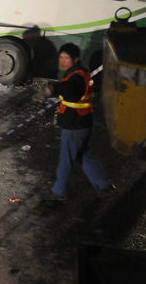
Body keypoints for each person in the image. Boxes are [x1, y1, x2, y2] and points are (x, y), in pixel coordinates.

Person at [42, 43, 114, 201]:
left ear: (75, 59)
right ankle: (103, 184)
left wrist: (54, 88)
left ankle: (58, 192)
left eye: (66, 57)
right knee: (85, 155)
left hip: (75, 125)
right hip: (82, 123)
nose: (62, 60)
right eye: (61, 57)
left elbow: (71, 89)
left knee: (66, 159)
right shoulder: (80, 72)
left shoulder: (76, 77)